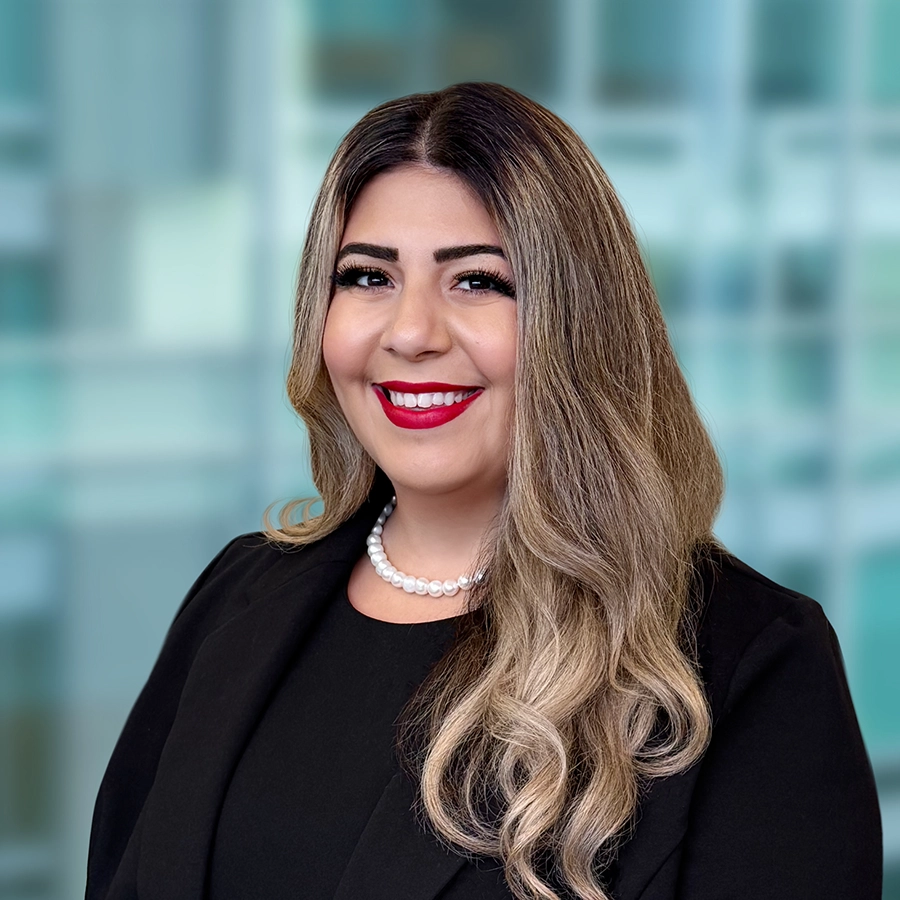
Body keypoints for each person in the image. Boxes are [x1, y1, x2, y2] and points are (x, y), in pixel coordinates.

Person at [85, 82, 882, 900]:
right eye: (366, 277)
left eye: (477, 282)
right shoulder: (237, 595)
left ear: (578, 324)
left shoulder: (747, 661)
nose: (411, 332)